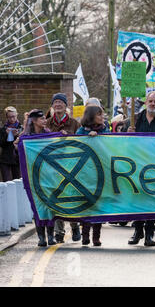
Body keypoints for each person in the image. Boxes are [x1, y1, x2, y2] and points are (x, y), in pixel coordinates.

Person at [123, 91, 155, 247]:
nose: (152, 104)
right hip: (137, 165)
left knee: (152, 199)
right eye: (150, 101)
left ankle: (149, 234)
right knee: (137, 198)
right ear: (145, 103)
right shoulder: (134, 120)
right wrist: (127, 133)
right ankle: (138, 231)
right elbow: (123, 143)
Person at [46, 93, 82, 243]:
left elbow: (82, 142)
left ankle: (74, 226)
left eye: (61, 102)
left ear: (66, 105)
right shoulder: (47, 123)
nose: (58, 105)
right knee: (56, 198)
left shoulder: (74, 123)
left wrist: (70, 137)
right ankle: (59, 232)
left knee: (70, 198)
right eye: (56, 102)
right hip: (53, 166)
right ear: (53, 105)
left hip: (71, 165)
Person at [18, 110, 55, 246]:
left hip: (48, 176)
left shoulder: (49, 134)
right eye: (41, 119)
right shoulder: (26, 136)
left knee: (49, 205)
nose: (45, 121)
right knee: (38, 206)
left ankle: (50, 236)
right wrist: (18, 145)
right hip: (34, 177)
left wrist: (61, 136)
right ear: (33, 120)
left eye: (45, 118)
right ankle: (41, 237)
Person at [76, 106, 111, 246]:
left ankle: (96, 237)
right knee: (87, 203)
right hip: (85, 172)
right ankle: (85, 235)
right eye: (99, 114)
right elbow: (76, 143)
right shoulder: (81, 130)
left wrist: (99, 138)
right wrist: (86, 137)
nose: (102, 117)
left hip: (100, 170)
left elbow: (109, 143)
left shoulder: (104, 129)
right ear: (91, 116)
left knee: (98, 203)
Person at [0, 107, 23, 182]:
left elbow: (23, 144)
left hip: (17, 159)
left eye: (14, 116)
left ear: (17, 115)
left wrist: (17, 135)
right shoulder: (3, 129)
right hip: (5, 160)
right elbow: (1, 144)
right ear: (7, 117)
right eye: (10, 117)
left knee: (18, 182)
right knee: (7, 182)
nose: (12, 119)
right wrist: (7, 134)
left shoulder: (22, 128)